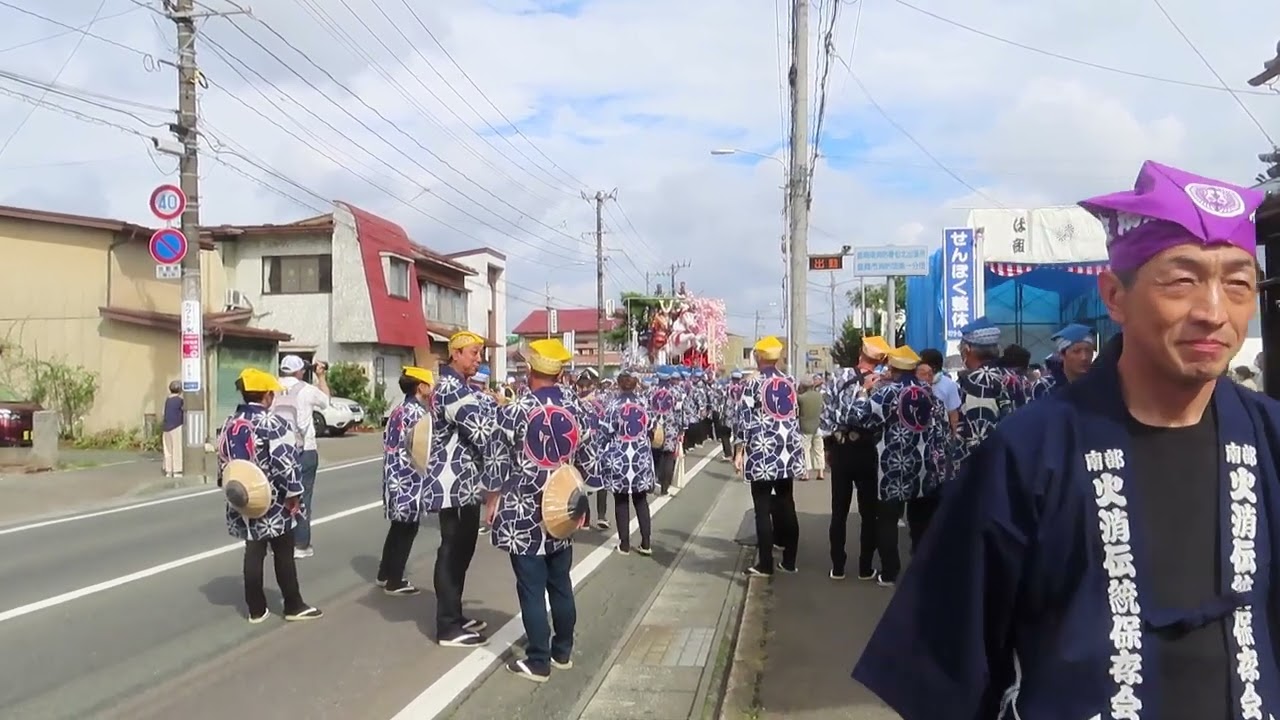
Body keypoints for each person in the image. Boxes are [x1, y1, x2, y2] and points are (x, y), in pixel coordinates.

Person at [853, 161, 1278, 719]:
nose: (1214, 312)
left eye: (1238, 284)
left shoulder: (1270, 438)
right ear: (1115, 296)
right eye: (1182, 280)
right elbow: (944, 664)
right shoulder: (1028, 453)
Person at [488, 338, 603, 682]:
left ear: (530, 369)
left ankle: (538, 659)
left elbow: (496, 462)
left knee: (531, 587)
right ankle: (562, 650)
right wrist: (582, 500)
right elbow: (590, 461)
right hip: (563, 506)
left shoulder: (515, 410)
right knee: (560, 583)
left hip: (523, 509)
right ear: (560, 372)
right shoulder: (579, 410)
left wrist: (492, 500)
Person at [829, 346, 942, 586]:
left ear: (893, 368)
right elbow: (940, 428)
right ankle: (922, 568)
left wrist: (863, 392)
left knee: (888, 519)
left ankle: (890, 572)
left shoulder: (889, 392)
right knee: (920, 521)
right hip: (922, 464)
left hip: (893, 463)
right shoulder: (928, 392)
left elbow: (857, 416)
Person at [216, 368, 322, 624]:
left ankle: (255, 608)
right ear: (266, 396)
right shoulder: (272, 423)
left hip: (242, 496)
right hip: (271, 498)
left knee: (253, 549)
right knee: (283, 551)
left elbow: (223, 461)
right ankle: (293, 604)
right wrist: (293, 493)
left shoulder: (230, 422)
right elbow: (285, 463)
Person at [425, 331, 498, 648]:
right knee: (453, 550)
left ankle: (454, 614)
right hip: (452, 482)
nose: (478, 359)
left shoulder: (458, 387)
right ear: (455, 353)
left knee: (461, 549)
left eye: (479, 353)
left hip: (462, 482)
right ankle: (447, 625)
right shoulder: (451, 389)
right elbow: (482, 430)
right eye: (473, 353)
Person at [819, 336, 890, 581]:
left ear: (860, 352)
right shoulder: (881, 384)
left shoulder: (838, 377)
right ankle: (865, 567)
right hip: (868, 449)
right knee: (869, 513)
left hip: (840, 448)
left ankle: (838, 566)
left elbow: (825, 414)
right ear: (881, 359)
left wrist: (828, 446)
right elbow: (883, 420)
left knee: (838, 511)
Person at [733, 336, 804, 577]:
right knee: (787, 503)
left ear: (759, 356)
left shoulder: (753, 384)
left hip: (762, 452)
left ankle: (765, 564)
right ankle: (790, 561)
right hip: (787, 451)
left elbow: (744, 420)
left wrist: (739, 452)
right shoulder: (790, 381)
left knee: (762, 509)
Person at [376, 367, 434, 596]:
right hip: (410, 478)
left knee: (398, 527)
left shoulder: (398, 410)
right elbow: (425, 448)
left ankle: (384, 573)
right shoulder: (418, 414)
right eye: (429, 384)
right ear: (420, 387)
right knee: (407, 529)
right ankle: (395, 580)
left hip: (394, 476)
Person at [275, 355, 331, 560]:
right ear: (299, 371)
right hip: (304, 449)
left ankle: (278, 541)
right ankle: (300, 544)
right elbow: (325, 401)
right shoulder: (306, 390)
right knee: (302, 497)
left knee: (279, 497)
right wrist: (321, 377)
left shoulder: (272, 387)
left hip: (278, 451)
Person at [600, 368, 656, 555]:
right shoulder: (643, 403)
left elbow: (605, 432)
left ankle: (624, 544)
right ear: (635, 384)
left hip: (620, 458)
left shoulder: (613, 405)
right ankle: (646, 543)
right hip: (640, 456)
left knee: (621, 500)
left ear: (618, 384)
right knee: (641, 500)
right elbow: (653, 426)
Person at [910, 349, 960, 549]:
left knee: (934, 496)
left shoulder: (948, 385)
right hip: (917, 451)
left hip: (937, 451)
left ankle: (932, 543)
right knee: (917, 499)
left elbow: (954, 415)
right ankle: (918, 543)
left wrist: (953, 441)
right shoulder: (912, 387)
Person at [953, 317, 1016, 465]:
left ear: (967, 349)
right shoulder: (1010, 376)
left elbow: (979, 435)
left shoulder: (979, 381)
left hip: (988, 469)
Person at [1030, 323, 1097, 401]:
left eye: (1088, 351)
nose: (1084, 357)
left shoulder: (1099, 386)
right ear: (1061, 354)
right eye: (1076, 351)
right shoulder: (1044, 387)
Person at [649, 366, 684, 496]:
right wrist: (681, 429)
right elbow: (679, 413)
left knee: (653, 456)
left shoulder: (651, 391)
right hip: (671, 428)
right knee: (668, 456)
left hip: (654, 428)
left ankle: (652, 483)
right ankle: (664, 487)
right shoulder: (676, 393)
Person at [796, 379, 825, 480]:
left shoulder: (801, 398)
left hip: (805, 427)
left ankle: (806, 473)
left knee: (805, 450)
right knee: (819, 450)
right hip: (817, 426)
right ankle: (820, 472)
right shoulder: (819, 396)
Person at [161, 380, 184, 478]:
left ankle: (168, 470)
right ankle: (177, 470)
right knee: (176, 449)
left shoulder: (168, 400)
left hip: (166, 427)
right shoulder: (179, 401)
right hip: (176, 426)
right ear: (180, 390)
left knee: (168, 450)